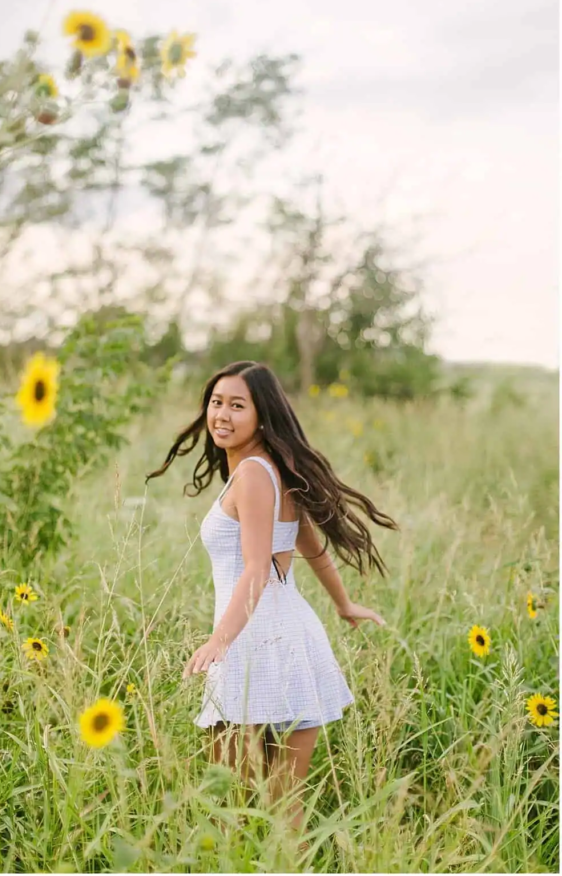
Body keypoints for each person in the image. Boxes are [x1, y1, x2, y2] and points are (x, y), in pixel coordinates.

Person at [146, 360, 399, 841]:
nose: (221, 414)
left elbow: (258, 568)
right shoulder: (274, 470)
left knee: (236, 805)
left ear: (262, 416)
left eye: (237, 405)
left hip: (253, 644)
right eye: (216, 402)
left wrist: (219, 640)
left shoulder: (253, 477)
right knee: (282, 802)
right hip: (292, 638)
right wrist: (344, 606)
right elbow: (311, 547)